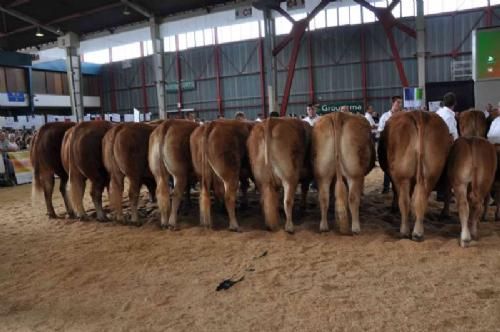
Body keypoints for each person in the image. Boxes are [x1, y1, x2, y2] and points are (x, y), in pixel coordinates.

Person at [378, 95, 403, 194]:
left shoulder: (404, 116)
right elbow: (380, 130)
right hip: (388, 145)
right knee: (387, 167)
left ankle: (397, 187)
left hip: (401, 146)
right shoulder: (385, 116)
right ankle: (386, 187)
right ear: (393, 103)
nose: (400, 105)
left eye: (401, 103)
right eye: (398, 102)